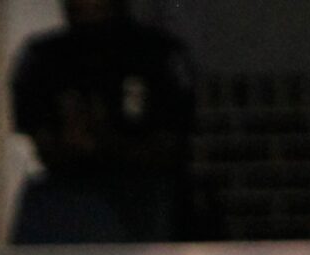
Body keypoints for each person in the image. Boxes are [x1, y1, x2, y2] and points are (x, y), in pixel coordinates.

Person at [10, 0, 196, 240]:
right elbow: (44, 143)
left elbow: (170, 145)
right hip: (67, 204)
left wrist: (109, 143)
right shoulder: (43, 57)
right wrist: (73, 145)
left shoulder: (159, 53)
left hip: (147, 205)